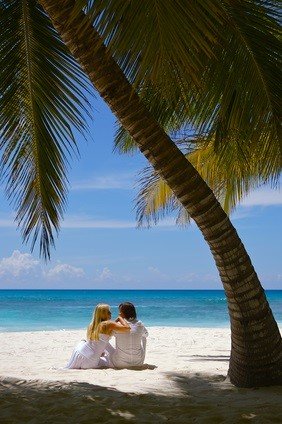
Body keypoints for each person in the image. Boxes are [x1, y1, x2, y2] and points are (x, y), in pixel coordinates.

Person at [65, 303, 130, 369]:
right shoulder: (108, 324)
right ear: (103, 314)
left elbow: (99, 341)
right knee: (110, 360)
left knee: (83, 341)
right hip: (89, 361)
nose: (111, 313)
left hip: (80, 355)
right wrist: (120, 318)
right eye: (108, 312)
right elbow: (127, 328)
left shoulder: (92, 325)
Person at [109, 302, 148, 368]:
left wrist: (116, 320)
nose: (119, 313)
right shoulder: (140, 324)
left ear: (122, 313)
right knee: (143, 337)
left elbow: (107, 335)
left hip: (120, 363)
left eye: (120, 312)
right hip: (138, 362)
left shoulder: (118, 326)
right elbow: (146, 335)